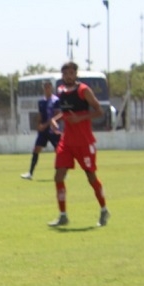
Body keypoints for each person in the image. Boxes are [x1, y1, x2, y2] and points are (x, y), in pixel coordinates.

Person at [47, 61, 110, 228]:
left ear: (76, 74)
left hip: (84, 142)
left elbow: (99, 111)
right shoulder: (61, 90)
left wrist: (80, 118)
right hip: (67, 142)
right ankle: (63, 215)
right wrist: (55, 120)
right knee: (58, 176)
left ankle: (104, 209)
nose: (68, 76)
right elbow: (66, 112)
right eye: (65, 73)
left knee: (91, 177)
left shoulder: (84, 90)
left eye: (71, 73)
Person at [20, 81, 61, 180]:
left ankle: (61, 172)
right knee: (36, 149)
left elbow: (57, 115)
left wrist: (46, 125)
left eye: (48, 87)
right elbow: (40, 115)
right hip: (43, 131)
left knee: (59, 151)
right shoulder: (41, 101)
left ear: (51, 88)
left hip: (53, 130)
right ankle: (30, 173)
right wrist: (38, 125)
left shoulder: (56, 100)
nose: (47, 89)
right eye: (45, 87)